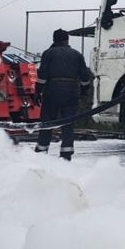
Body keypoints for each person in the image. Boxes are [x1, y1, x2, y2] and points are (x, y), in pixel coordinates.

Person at [34, 28, 94, 161]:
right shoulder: (77, 54)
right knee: (68, 123)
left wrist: (37, 92)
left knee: (47, 122)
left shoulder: (48, 54)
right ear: (67, 39)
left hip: (52, 91)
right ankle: (66, 154)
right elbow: (85, 77)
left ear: (54, 39)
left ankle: (41, 152)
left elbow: (42, 76)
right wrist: (83, 90)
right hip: (71, 91)